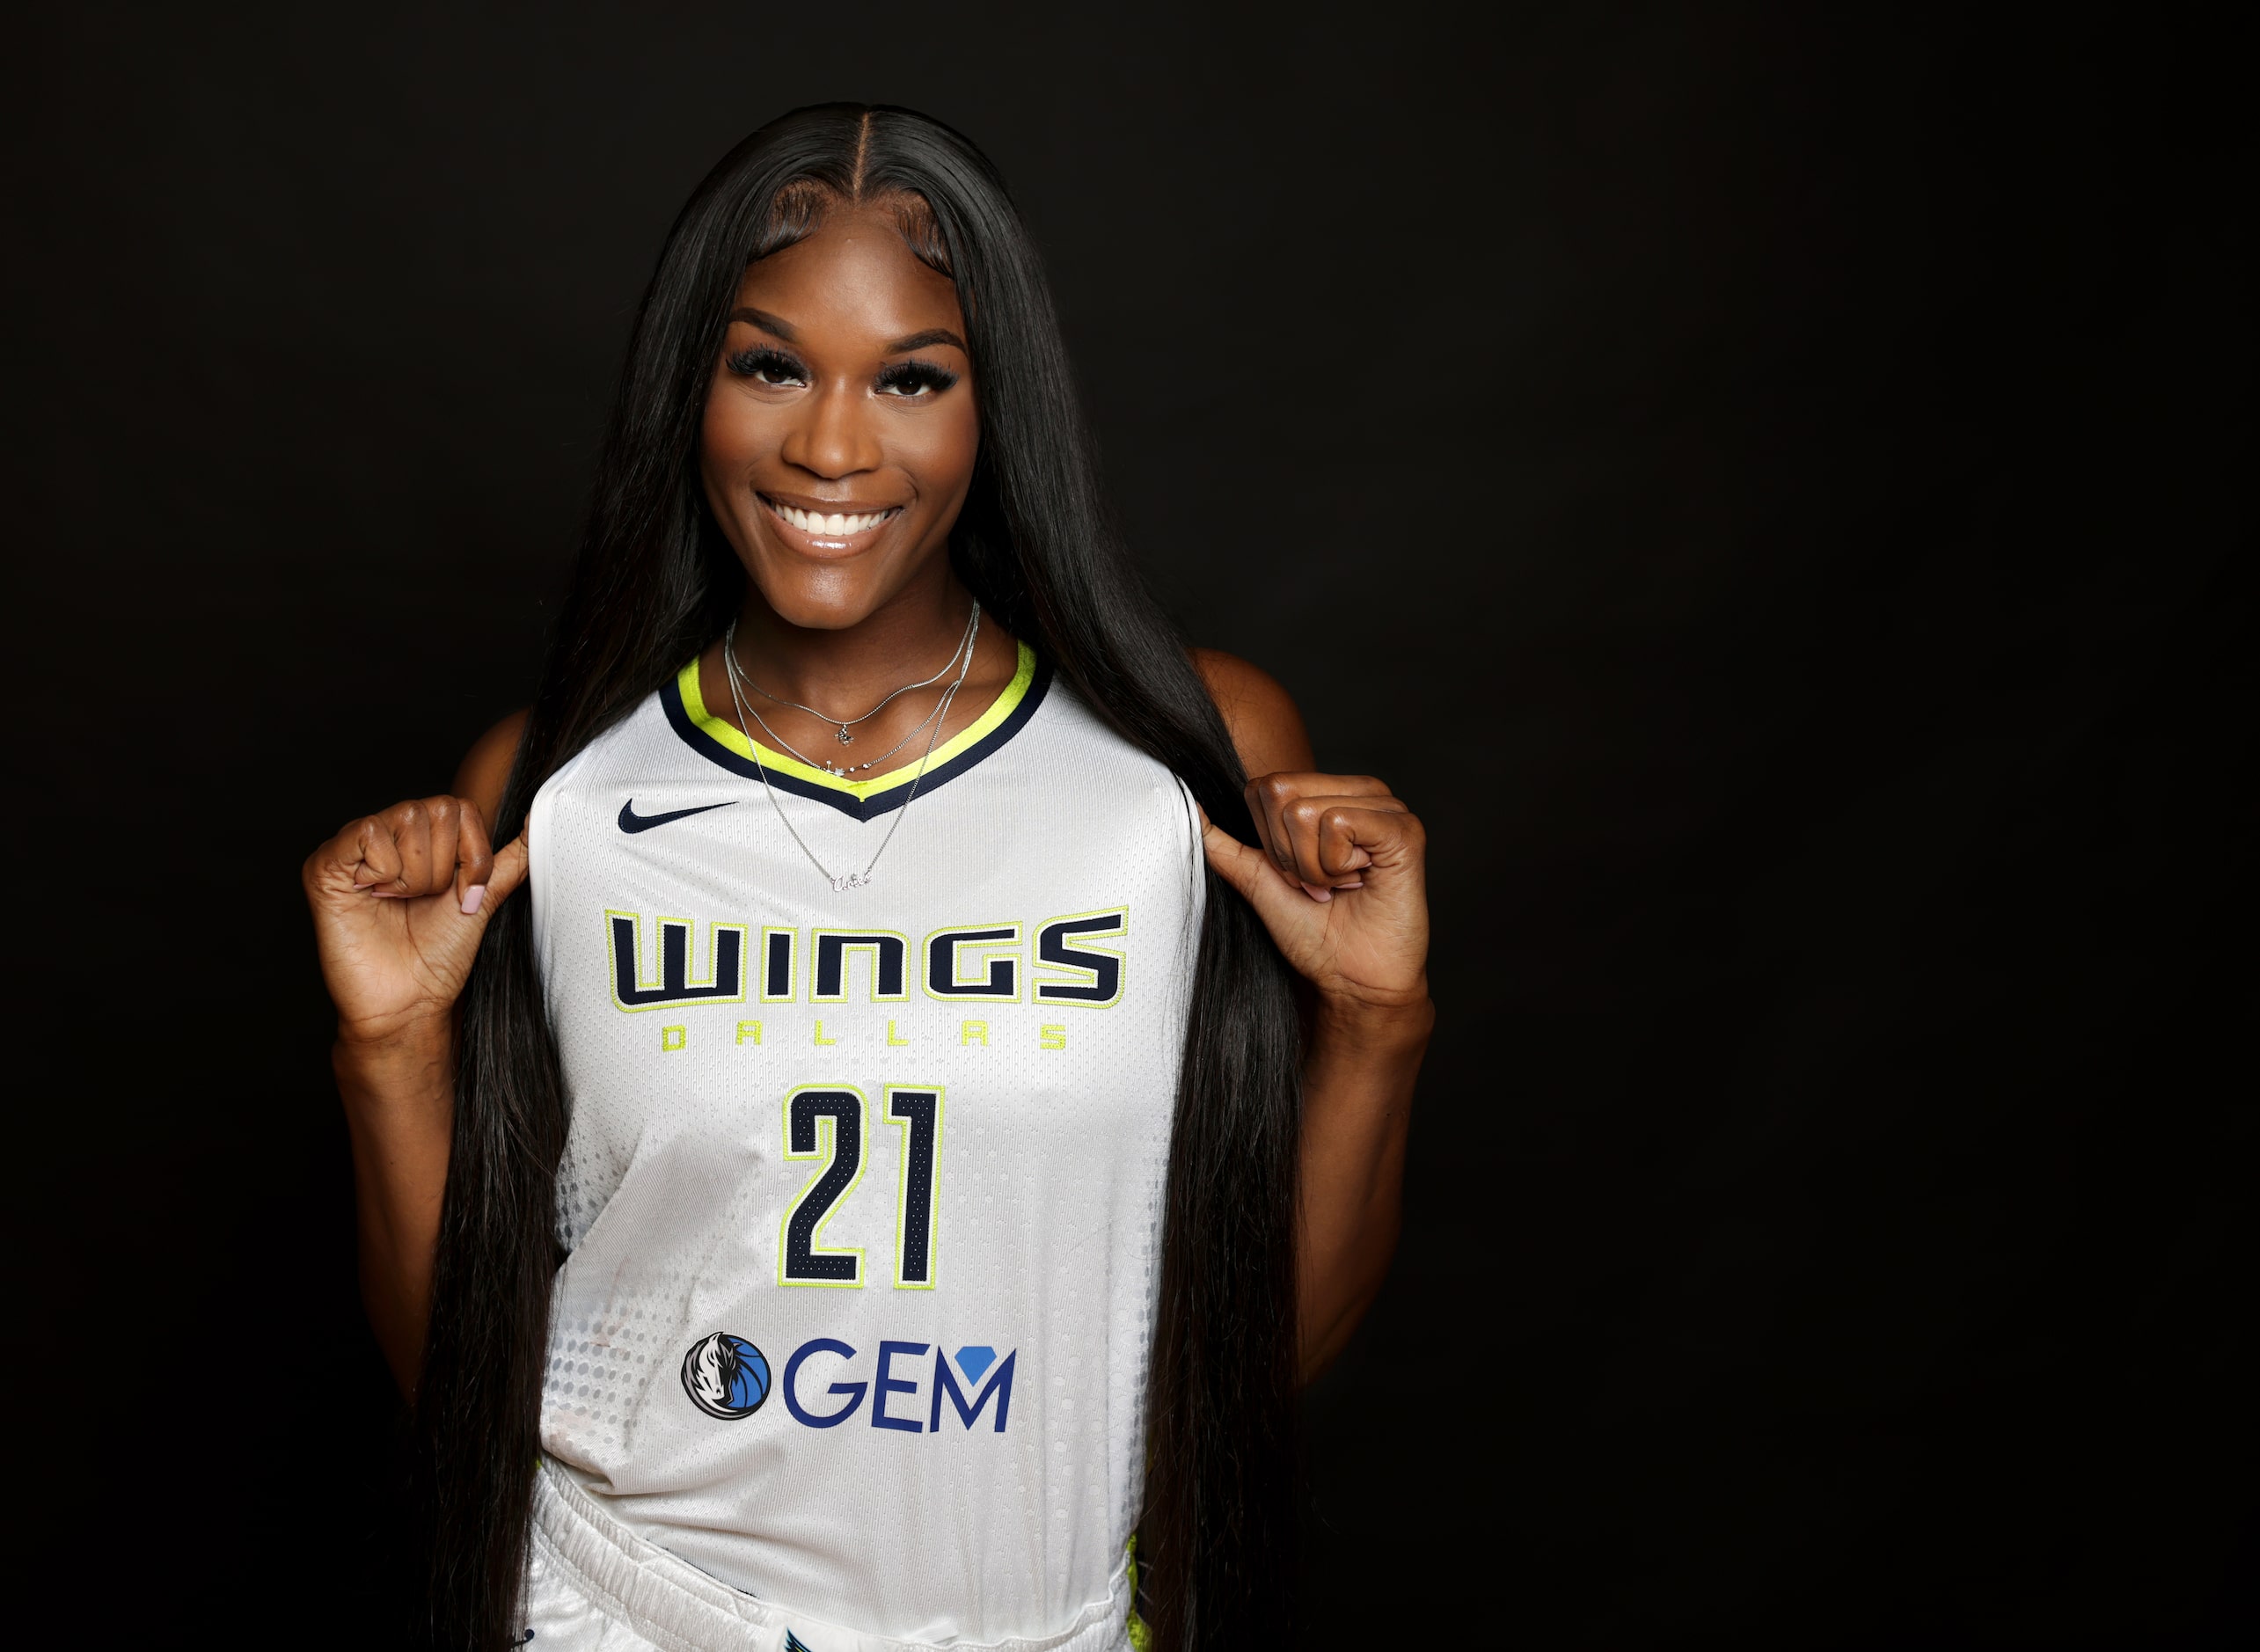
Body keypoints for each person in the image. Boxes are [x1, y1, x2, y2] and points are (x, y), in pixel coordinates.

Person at [304, 104, 1430, 1652]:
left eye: (911, 379)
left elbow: (1245, 1361)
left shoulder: (1185, 765)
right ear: (688, 388)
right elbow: (470, 1375)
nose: (831, 446)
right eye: (769, 363)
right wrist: (388, 1054)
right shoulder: (554, 789)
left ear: (996, 406)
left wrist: (1376, 1025)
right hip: (619, 1613)